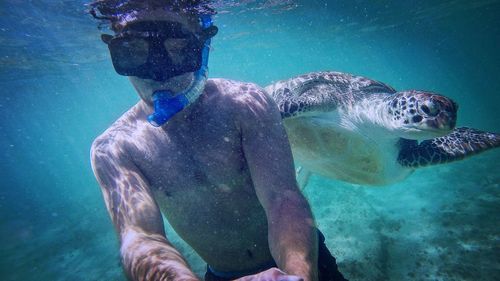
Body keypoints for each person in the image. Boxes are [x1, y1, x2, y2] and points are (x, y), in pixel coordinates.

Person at [88, 1, 348, 280]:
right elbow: (141, 240)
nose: (158, 73)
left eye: (178, 50)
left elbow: (282, 198)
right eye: (135, 52)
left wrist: (297, 275)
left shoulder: (245, 104)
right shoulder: (115, 148)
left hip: (305, 258)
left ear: (202, 49)